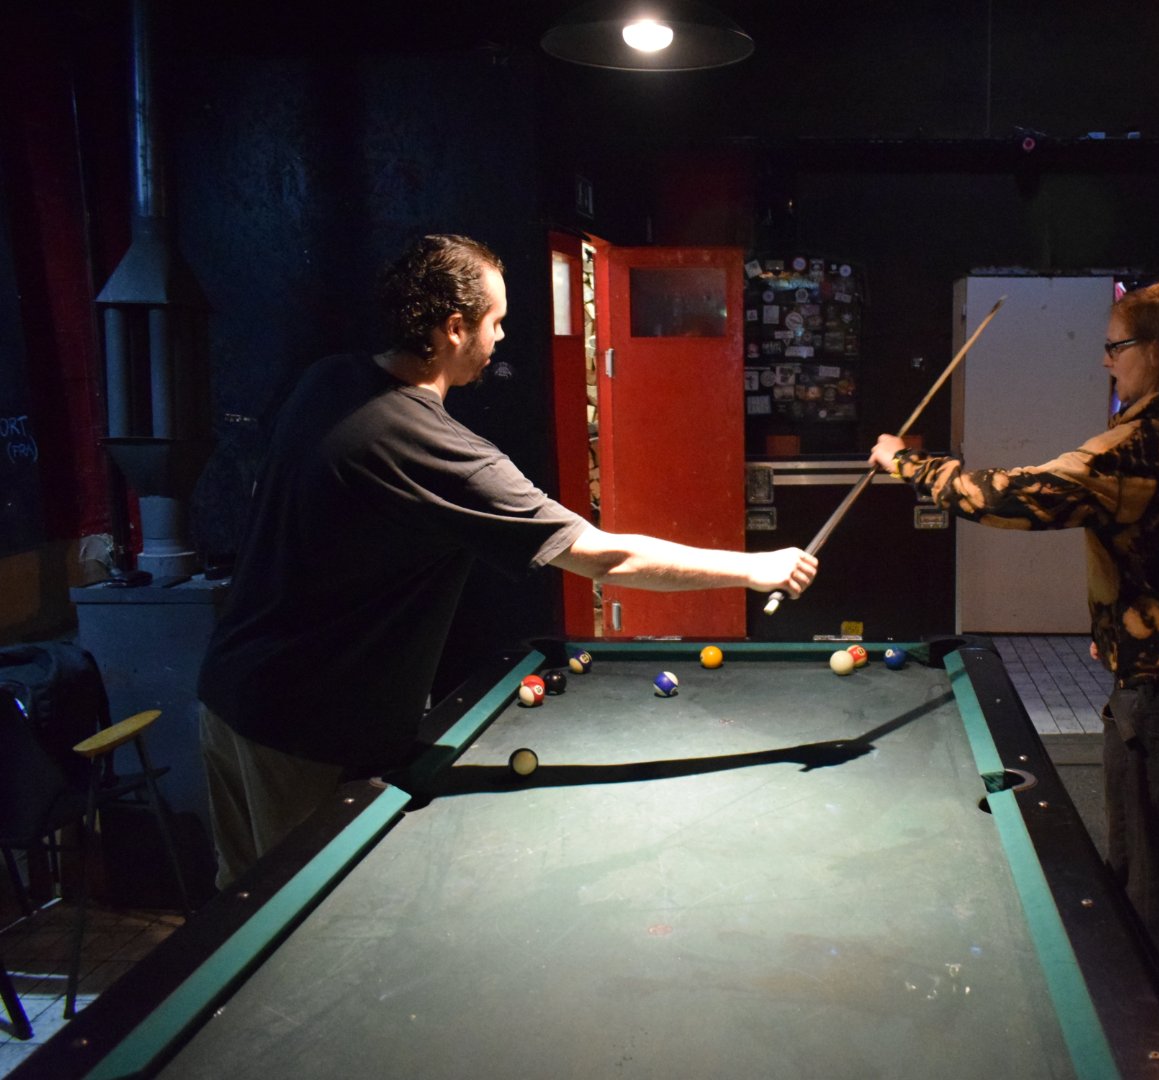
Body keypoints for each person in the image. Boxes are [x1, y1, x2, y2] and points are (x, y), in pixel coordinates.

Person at [198, 234, 817, 888]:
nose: (500, 337)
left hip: (227, 696)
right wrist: (755, 568)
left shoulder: (327, 379)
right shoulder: (432, 447)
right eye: (494, 321)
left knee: (238, 911)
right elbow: (604, 558)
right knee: (305, 925)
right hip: (300, 737)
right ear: (454, 328)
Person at [869, 281, 1159, 1009]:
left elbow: (1013, 497)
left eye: (1115, 346)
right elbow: (1158, 540)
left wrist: (906, 463)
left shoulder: (1141, 447)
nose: (1106, 361)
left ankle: (1151, 1023)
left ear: (1158, 351)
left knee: (1151, 861)